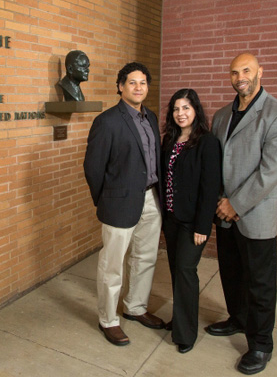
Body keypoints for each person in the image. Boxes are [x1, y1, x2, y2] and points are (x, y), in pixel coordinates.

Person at [206, 53, 277, 375]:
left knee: (260, 284)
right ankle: (237, 319)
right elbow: (215, 162)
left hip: (254, 214)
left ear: (260, 72)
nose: (239, 77)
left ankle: (260, 344)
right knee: (231, 274)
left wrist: (236, 204)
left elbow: (270, 172)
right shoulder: (221, 116)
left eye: (246, 70)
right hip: (224, 212)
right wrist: (219, 202)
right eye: (234, 72)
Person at [83, 62, 165, 346]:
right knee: (112, 265)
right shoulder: (107, 121)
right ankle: (108, 319)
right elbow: (93, 168)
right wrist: (105, 201)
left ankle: (136, 307)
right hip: (119, 203)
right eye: (132, 82)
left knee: (145, 257)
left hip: (151, 198)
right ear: (120, 86)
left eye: (143, 82)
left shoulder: (151, 118)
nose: (138, 87)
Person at [161, 89, 221, 354]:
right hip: (172, 218)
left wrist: (202, 226)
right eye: (176, 109)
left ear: (196, 110)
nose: (180, 113)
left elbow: (210, 188)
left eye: (186, 108)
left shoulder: (207, 142)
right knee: (176, 269)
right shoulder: (170, 139)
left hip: (192, 222)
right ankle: (180, 319)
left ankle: (186, 334)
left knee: (186, 270)